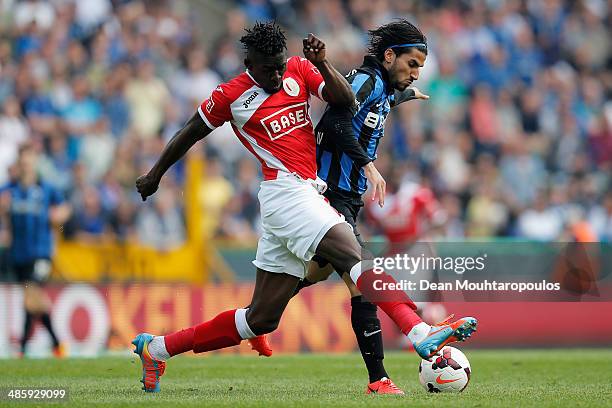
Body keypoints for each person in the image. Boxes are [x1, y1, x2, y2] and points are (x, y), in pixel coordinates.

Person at [132, 21, 477, 393]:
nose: (278, 74)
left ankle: (157, 349)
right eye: (268, 69)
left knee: (259, 319)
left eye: (281, 65)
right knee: (354, 256)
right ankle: (419, 330)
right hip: (284, 193)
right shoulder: (230, 95)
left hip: (306, 192)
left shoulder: (298, 67)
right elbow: (189, 131)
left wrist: (324, 63)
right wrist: (155, 174)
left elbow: (344, 101)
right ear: (249, 61)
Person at [0, 144, 71, 358]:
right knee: (32, 300)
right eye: (23, 159)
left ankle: (22, 347)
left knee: (30, 296)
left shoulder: (47, 189)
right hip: (18, 254)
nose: (26, 163)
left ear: (35, 162)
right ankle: (57, 344)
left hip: (41, 252)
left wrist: (59, 217)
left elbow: (65, 208)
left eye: (30, 159)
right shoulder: (9, 191)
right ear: (19, 163)